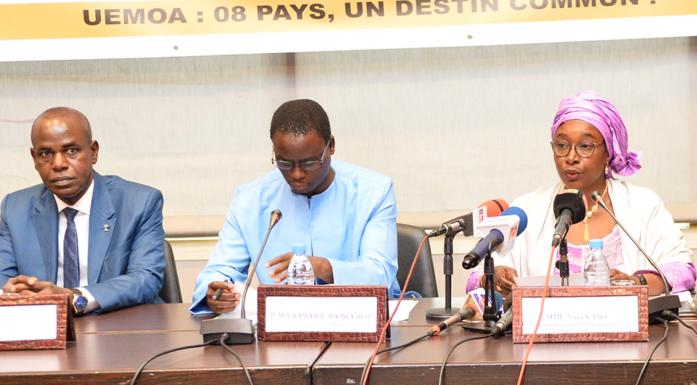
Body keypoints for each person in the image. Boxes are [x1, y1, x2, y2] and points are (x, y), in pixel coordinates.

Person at [472, 90, 696, 297]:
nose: (571, 157)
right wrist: (493, 277)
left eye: (585, 146)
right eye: (562, 145)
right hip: (543, 327)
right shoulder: (527, 209)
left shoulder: (643, 204)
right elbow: (475, 278)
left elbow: (682, 271)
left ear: (608, 152)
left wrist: (637, 282)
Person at [191, 98, 399, 314]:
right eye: (284, 163)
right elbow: (220, 269)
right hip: (280, 323)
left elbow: (380, 274)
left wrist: (323, 268)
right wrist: (216, 292)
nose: (297, 174)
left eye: (309, 162)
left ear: (331, 146)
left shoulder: (373, 192)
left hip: (359, 319)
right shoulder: (250, 199)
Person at [0, 107, 165, 315]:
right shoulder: (14, 208)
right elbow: (3, 280)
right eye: (46, 154)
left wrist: (74, 298)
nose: (58, 164)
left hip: (120, 324)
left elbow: (145, 279)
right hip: (43, 325)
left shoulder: (140, 202)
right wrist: (14, 293)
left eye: (71, 151)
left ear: (93, 152)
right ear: (34, 158)